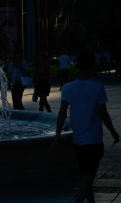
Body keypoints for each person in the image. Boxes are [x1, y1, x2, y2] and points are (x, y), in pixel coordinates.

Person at [51, 52, 120, 203]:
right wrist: (114, 133)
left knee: (86, 174)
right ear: (90, 66)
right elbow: (104, 114)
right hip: (94, 139)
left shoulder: (68, 87)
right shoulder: (97, 87)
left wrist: (57, 136)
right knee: (89, 174)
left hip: (78, 139)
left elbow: (62, 113)